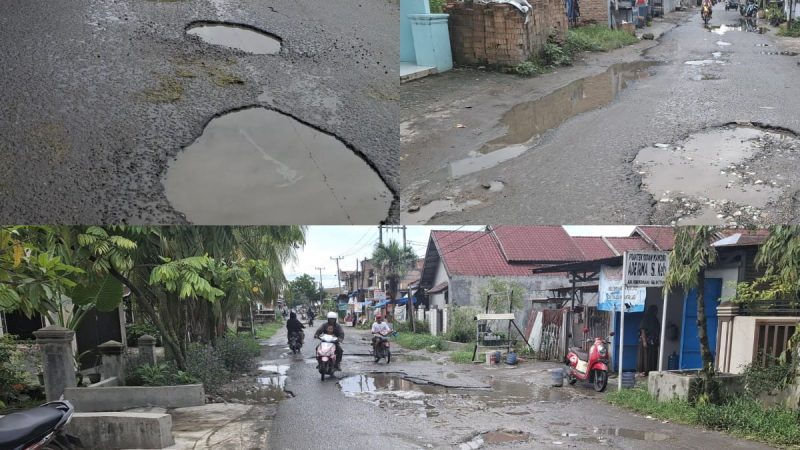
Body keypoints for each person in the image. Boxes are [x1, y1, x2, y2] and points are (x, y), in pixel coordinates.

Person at [638, 305, 660, 376]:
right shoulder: (646, 318)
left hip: (653, 342)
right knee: (646, 357)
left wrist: (657, 340)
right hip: (646, 341)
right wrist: (644, 341)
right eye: (655, 310)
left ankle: (652, 371)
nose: (656, 312)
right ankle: (644, 371)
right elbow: (643, 330)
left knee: (653, 357)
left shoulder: (655, 319)